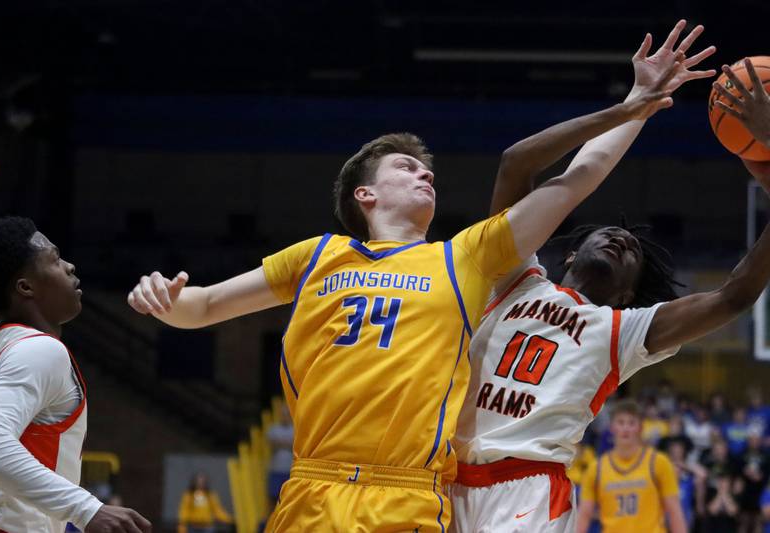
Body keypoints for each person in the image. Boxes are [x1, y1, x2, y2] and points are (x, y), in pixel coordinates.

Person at [127, 27, 681, 531]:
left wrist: (634, 107)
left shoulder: (464, 258)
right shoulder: (318, 255)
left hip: (407, 493)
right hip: (312, 485)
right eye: (407, 167)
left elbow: (577, 180)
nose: (426, 173)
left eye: (427, 170)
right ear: (364, 194)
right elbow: (204, 306)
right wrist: (161, 298)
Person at [450, 19, 718, 532]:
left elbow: (732, 297)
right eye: (606, 234)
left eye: (631, 251)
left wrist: (637, 107)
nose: (619, 240)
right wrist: (632, 105)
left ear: (627, 292)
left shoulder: (618, 331)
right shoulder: (512, 276)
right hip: (441, 476)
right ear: (569, 255)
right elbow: (519, 164)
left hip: (526, 484)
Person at [0, 217, 151, 533]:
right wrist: (87, 509)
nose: (69, 266)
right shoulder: (39, 349)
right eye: (54, 260)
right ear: (26, 287)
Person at [577, 400, 686, 533]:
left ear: (640, 427)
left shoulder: (659, 463)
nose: (626, 428)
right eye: (621, 422)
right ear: (612, 427)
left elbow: (674, 512)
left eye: (631, 423)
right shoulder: (596, 469)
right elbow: (584, 515)